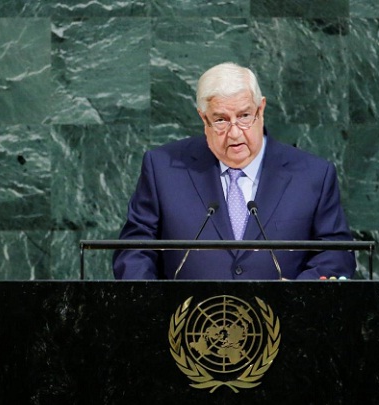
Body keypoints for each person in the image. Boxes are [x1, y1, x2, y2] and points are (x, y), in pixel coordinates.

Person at [113, 62, 356, 280]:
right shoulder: (163, 169)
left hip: (284, 323)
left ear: (261, 110)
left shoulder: (312, 175)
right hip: (186, 324)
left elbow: (337, 253)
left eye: (244, 116)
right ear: (203, 118)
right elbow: (134, 249)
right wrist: (151, 303)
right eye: (220, 120)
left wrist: (295, 296)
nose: (235, 133)